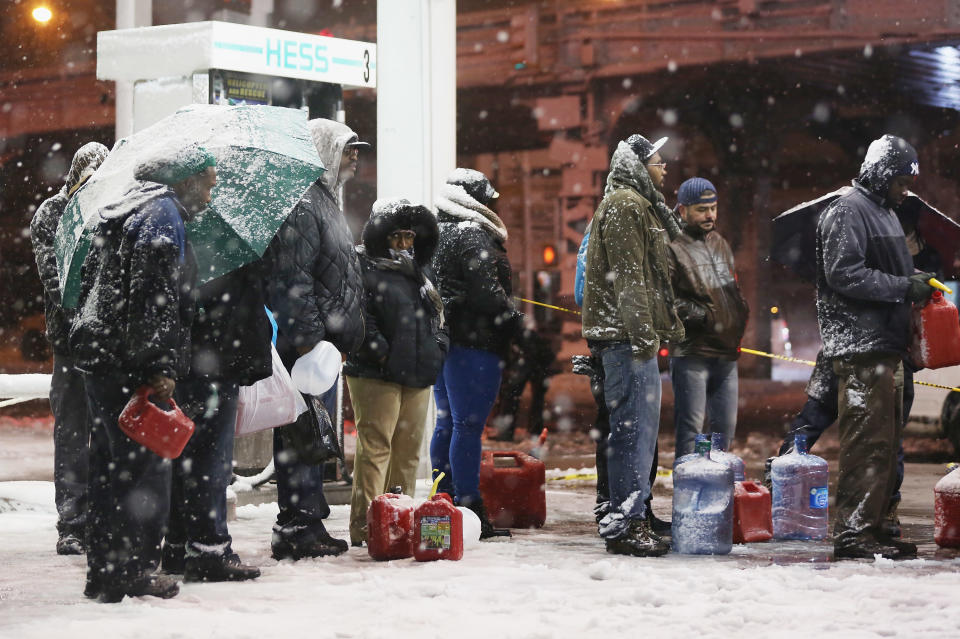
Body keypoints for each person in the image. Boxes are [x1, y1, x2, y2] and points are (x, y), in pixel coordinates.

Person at [70, 143, 216, 602]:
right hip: (128, 365)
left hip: (102, 359)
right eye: (208, 184)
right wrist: (159, 367)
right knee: (140, 473)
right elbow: (154, 297)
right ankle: (131, 569)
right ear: (186, 180)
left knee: (109, 470)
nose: (210, 195)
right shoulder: (161, 215)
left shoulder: (123, 209)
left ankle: (106, 571)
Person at [766, 194, 944, 538]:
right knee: (813, 420)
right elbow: (847, 282)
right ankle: (778, 480)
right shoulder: (860, 237)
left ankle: (885, 506)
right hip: (845, 353)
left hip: (894, 358)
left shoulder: (924, 261)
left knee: (890, 439)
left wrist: (917, 284)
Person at [817, 134, 932, 560]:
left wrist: (915, 279)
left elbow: (877, 271)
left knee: (884, 444)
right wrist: (905, 286)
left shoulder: (883, 212)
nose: (907, 189)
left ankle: (878, 524)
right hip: (862, 348)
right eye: (901, 180)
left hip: (888, 347)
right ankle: (852, 533)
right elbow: (843, 274)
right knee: (867, 443)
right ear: (882, 174)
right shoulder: (848, 211)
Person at [261, 118, 366, 560]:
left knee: (312, 434)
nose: (356, 157)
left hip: (320, 344)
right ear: (324, 150)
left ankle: (308, 519)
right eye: (348, 148)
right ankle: (297, 525)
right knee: (302, 435)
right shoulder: (305, 202)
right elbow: (293, 280)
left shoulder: (322, 198)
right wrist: (309, 341)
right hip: (308, 346)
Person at [580, 134, 684, 557]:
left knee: (637, 436)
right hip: (626, 342)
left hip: (630, 339)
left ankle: (634, 513)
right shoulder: (626, 205)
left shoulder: (636, 204)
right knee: (632, 436)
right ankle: (626, 523)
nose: (664, 169)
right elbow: (629, 279)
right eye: (658, 163)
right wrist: (644, 338)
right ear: (639, 166)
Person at [344, 198, 447, 547]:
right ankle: (367, 527)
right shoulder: (360, 265)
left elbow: (437, 315)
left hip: (417, 371)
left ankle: (399, 525)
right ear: (380, 234)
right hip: (375, 373)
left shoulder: (420, 268)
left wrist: (437, 348)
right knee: (376, 450)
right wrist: (381, 353)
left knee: (407, 454)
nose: (404, 244)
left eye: (409, 236)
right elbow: (359, 316)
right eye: (396, 236)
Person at [160, 260, 271, 582]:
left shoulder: (183, 234)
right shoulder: (221, 246)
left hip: (199, 356)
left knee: (187, 455)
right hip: (215, 355)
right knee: (209, 459)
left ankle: (179, 546)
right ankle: (209, 549)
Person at [30, 141, 108, 555]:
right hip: (70, 346)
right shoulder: (52, 213)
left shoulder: (107, 212)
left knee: (106, 434)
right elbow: (56, 279)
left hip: (103, 346)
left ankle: (98, 516)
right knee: (73, 433)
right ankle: (73, 522)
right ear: (77, 175)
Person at [430, 167, 517, 538]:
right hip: (475, 344)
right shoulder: (471, 235)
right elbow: (487, 296)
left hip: (444, 340)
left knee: (447, 421)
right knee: (468, 425)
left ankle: (444, 499)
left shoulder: (436, 232)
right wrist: (514, 318)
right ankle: (470, 508)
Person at [668, 178, 749, 458]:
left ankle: (716, 494)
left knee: (724, 433)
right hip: (693, 352)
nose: (710, 215)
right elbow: (664, 300)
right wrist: (704, 317)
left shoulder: (719, 243)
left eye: (713, 208)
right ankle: (688, 498)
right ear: (683, 210)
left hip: (725, 353)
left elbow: (730, 290)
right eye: (702, 209)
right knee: (691, 434)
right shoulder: (671, 246)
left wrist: (739, 312)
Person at [491, 326, 557, 442]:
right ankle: (533, 432)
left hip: (534, 360)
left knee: (512, 396)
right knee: (522, 397)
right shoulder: (513, 334)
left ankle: (512, 433)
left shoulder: (508, 336)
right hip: (534, 359)